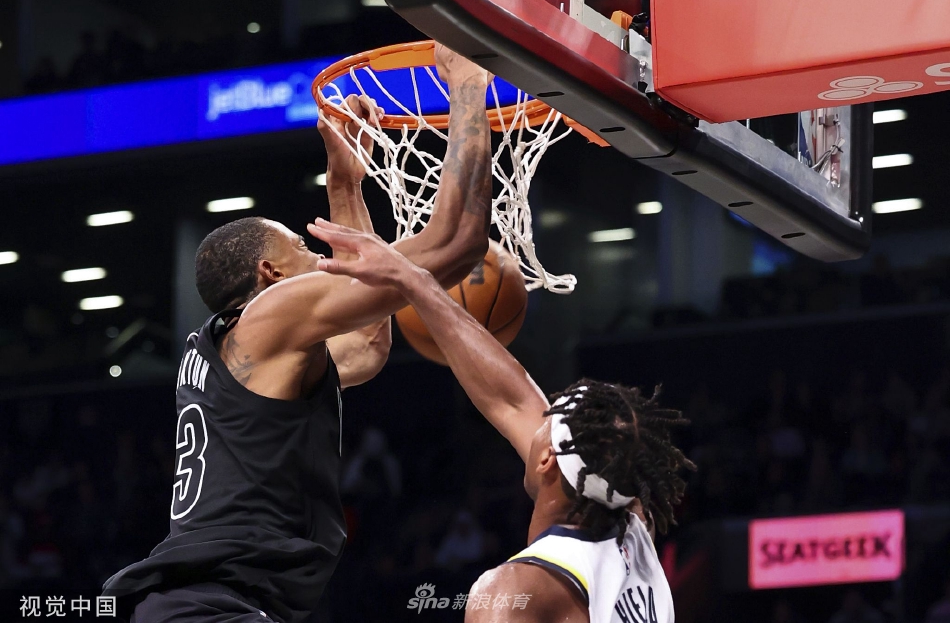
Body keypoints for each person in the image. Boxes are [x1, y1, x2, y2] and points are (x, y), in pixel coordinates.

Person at [101, 44, 494, 623]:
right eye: (303, 247)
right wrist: (466, 87)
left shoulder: (244, 348)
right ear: (272, 274)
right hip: (209, 608)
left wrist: (345, 185)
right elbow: (455, 243)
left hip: (208, 604)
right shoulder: (270, 316)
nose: (317, 255)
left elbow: (368, 344)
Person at [307, 220, 696, 622]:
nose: (536, 418)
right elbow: (510, 399)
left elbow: (515, 403)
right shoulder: (635, 531)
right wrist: (412, 280)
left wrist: (414, 278)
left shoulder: (510, 594)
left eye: (547, 421)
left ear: (547, 458)